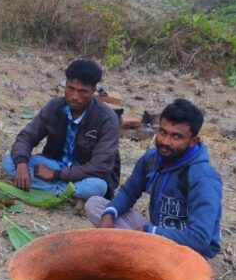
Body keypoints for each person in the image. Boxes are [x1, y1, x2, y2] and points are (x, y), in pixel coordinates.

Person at [86, 99, 222, 258]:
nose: (165, 142)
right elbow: (129, 192)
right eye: (163, 132)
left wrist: (149, 232)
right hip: (156, 235)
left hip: (188, 251)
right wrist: (109, 215)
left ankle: (130, 252)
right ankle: (132, 250)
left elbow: (199, 238)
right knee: (96, 205)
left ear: (193, 141)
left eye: (176, 137)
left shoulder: (203, 178)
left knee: (140, 254)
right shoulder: (152, 158)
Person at [2, 59, 119, 206]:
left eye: (82, 91)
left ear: (94, 91)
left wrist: (57, 175)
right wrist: (21, 164)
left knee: (98, 187)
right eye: (70, 89)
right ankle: (69, 196)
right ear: (65, 85)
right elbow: (27, 136)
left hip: (84, 175)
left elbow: (100, 167)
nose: (74, 96)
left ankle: (51, 190)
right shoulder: (55, 107)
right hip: (54, 165)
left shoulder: (107, 119)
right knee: (9, 162)